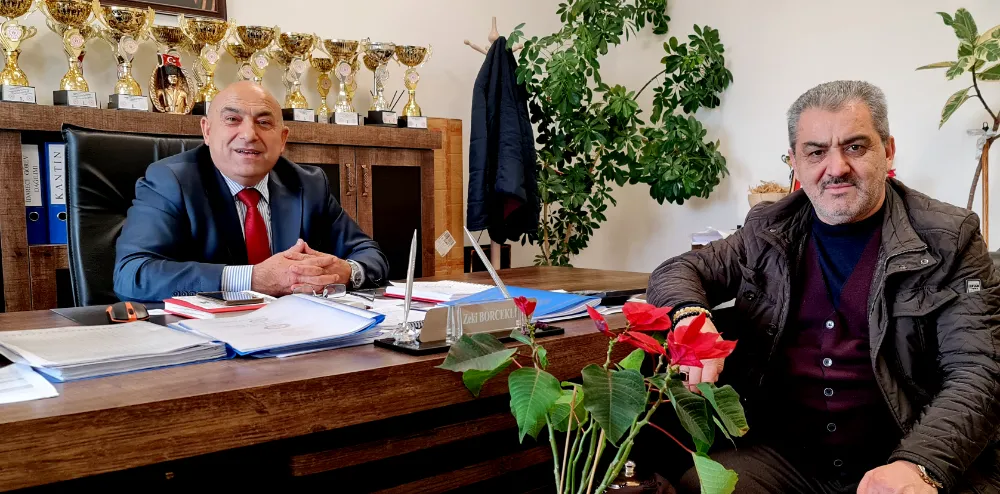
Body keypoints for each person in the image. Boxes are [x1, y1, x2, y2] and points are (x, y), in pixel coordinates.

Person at [648, 81, 1000, 493]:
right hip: (790, 457)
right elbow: (679, 269)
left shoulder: (949, 238)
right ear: (795, 163)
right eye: (816, 152)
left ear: (888, 151)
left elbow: (979, 369)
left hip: (907, 449)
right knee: (704, 485)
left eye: (855, 147)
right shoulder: (768, 229)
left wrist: (919, 464)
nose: (836, 168)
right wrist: (691, 318)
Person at [114, 81, 388, 302]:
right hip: (210, 339)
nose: (249, 134)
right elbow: (133, 275)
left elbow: (370, 254)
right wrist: (253, 278)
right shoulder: (170, 181)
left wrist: (346, 272)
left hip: (295, 334)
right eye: (232, 119)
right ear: (207, 131)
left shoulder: (309, 184)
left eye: (264, 122)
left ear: (282, 139)